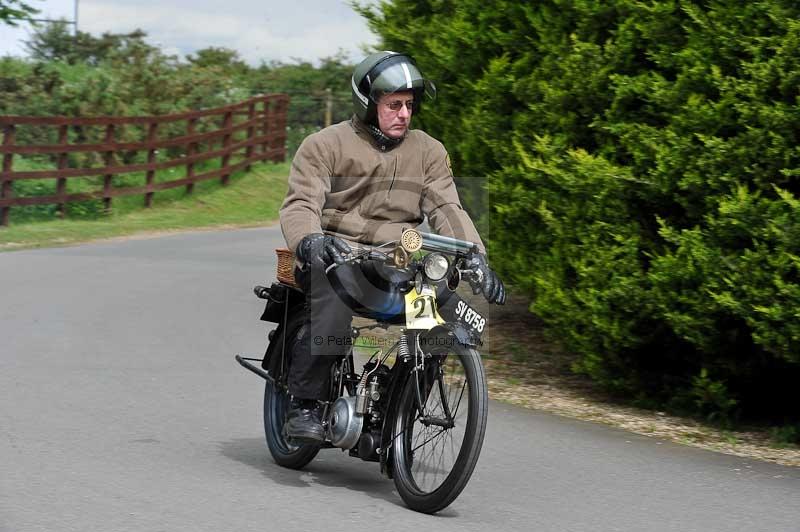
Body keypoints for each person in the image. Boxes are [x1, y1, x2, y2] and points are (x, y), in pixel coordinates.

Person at [278, 51, 505, 443]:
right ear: (368, 104)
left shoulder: (428, 151)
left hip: (394, 264)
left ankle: (397, 392)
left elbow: (448, 207)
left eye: (409, 105)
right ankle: (305, 404)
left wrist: (477, 258)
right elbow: (301, 203)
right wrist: (310, 239)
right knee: (334, 290)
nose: (404, 113)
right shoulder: (324, 145)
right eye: (393, 104)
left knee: (443, 314)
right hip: (333, 254)